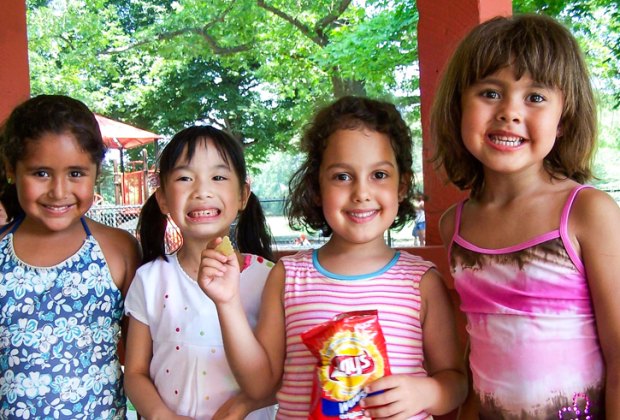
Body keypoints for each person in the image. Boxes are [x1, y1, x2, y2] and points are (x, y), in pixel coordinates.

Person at [199, 96, 467, 418]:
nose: (361, 193)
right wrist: (227, 302)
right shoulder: (289, 276)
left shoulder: (421, 282)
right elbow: (259, 386)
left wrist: (428, 391)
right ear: (316, 187)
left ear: (401, 186)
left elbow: (455, 382)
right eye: (342, 176)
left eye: (379, 175)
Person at [431, 14, 620, 418]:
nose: (509, 113)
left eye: (535, 97)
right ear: (458, 105)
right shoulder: (455, 225)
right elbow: (475, 355)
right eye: (489, 93)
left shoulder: (587, 213)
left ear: (564, 119)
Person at [0, 94, 140, 418]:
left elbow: (141, 362)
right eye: (41, 173)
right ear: (11, 169)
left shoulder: (118, 250)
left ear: (95, 172)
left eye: (76, 173)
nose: (59, 191)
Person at [123, 126, 277, 419]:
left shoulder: (269, 279)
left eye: (218, 177)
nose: (202, 191)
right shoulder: (150, 280)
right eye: (184, 178)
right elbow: (135, 373)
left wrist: (240, 407)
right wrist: (161, 415)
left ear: (243, 194)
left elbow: (283, 373)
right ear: (163, 198)